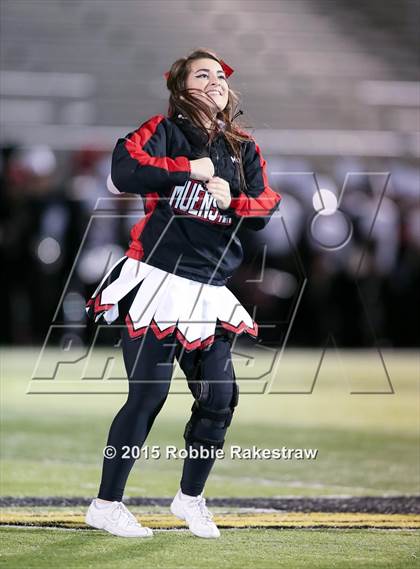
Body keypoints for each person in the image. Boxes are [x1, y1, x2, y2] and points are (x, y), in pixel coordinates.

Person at [84, 48, 281, 539]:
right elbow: (124, 169)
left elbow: (264, 208)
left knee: (220, 398)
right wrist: (187, 171)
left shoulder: (244, 148)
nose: (215, 81)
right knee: (147, 396)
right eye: (202, 74)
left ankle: (190, 498)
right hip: (156, 280)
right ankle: (106, 505)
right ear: (181, 86)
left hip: (209, 290)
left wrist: (232, 199)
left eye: (220, 75)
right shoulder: (164, 129)